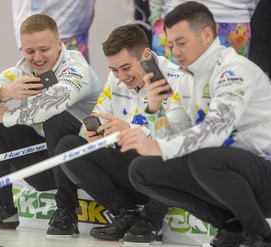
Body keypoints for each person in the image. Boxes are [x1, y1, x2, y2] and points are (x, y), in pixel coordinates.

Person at [118, 2, 271, 247]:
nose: (175, 52)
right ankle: (232, 226)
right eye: (171, 44)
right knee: (143, 171)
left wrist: (157, 147)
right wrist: (154, 110)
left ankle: (265, 239)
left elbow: (214, 131)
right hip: (233, 172)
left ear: (206, 35)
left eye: (182, 43)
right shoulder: (187, 79)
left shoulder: (234, 70)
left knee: (204, 158)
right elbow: (173, 136)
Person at [0, 14, 102, 230]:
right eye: (30, 51)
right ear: (22, 50)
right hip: (45, 164)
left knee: (55, 117)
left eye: (44, 49)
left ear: (59, 44)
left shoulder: (76, 67)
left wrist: (7, 116)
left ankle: (67, 210)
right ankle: (2, 208)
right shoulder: (20, 72)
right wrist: (4, 92)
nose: (37, 58)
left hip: (83, 163)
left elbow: (52, 104)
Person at [49, 24, 188, 243]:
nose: (121, 76)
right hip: (129, 171)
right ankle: (125, 214)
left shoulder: (179, 80)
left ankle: (150, 222)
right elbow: (97, 116)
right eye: (114, 69)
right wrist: (92, 134)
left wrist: (131, 131)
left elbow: (181, 140)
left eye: (125, 67)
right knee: (68, 145)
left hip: (164, 177)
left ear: (146, 55)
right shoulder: (115, 79)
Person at [149, 0, 259, 62]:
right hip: (234, 19)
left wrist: (156, 17)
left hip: (178, 17)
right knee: (232, 86)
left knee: (175, 89)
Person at [11, 0, 95, 61]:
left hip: (79, 36)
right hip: (49, 38)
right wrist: (27, 49)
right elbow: (21, 9)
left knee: (82, 81)